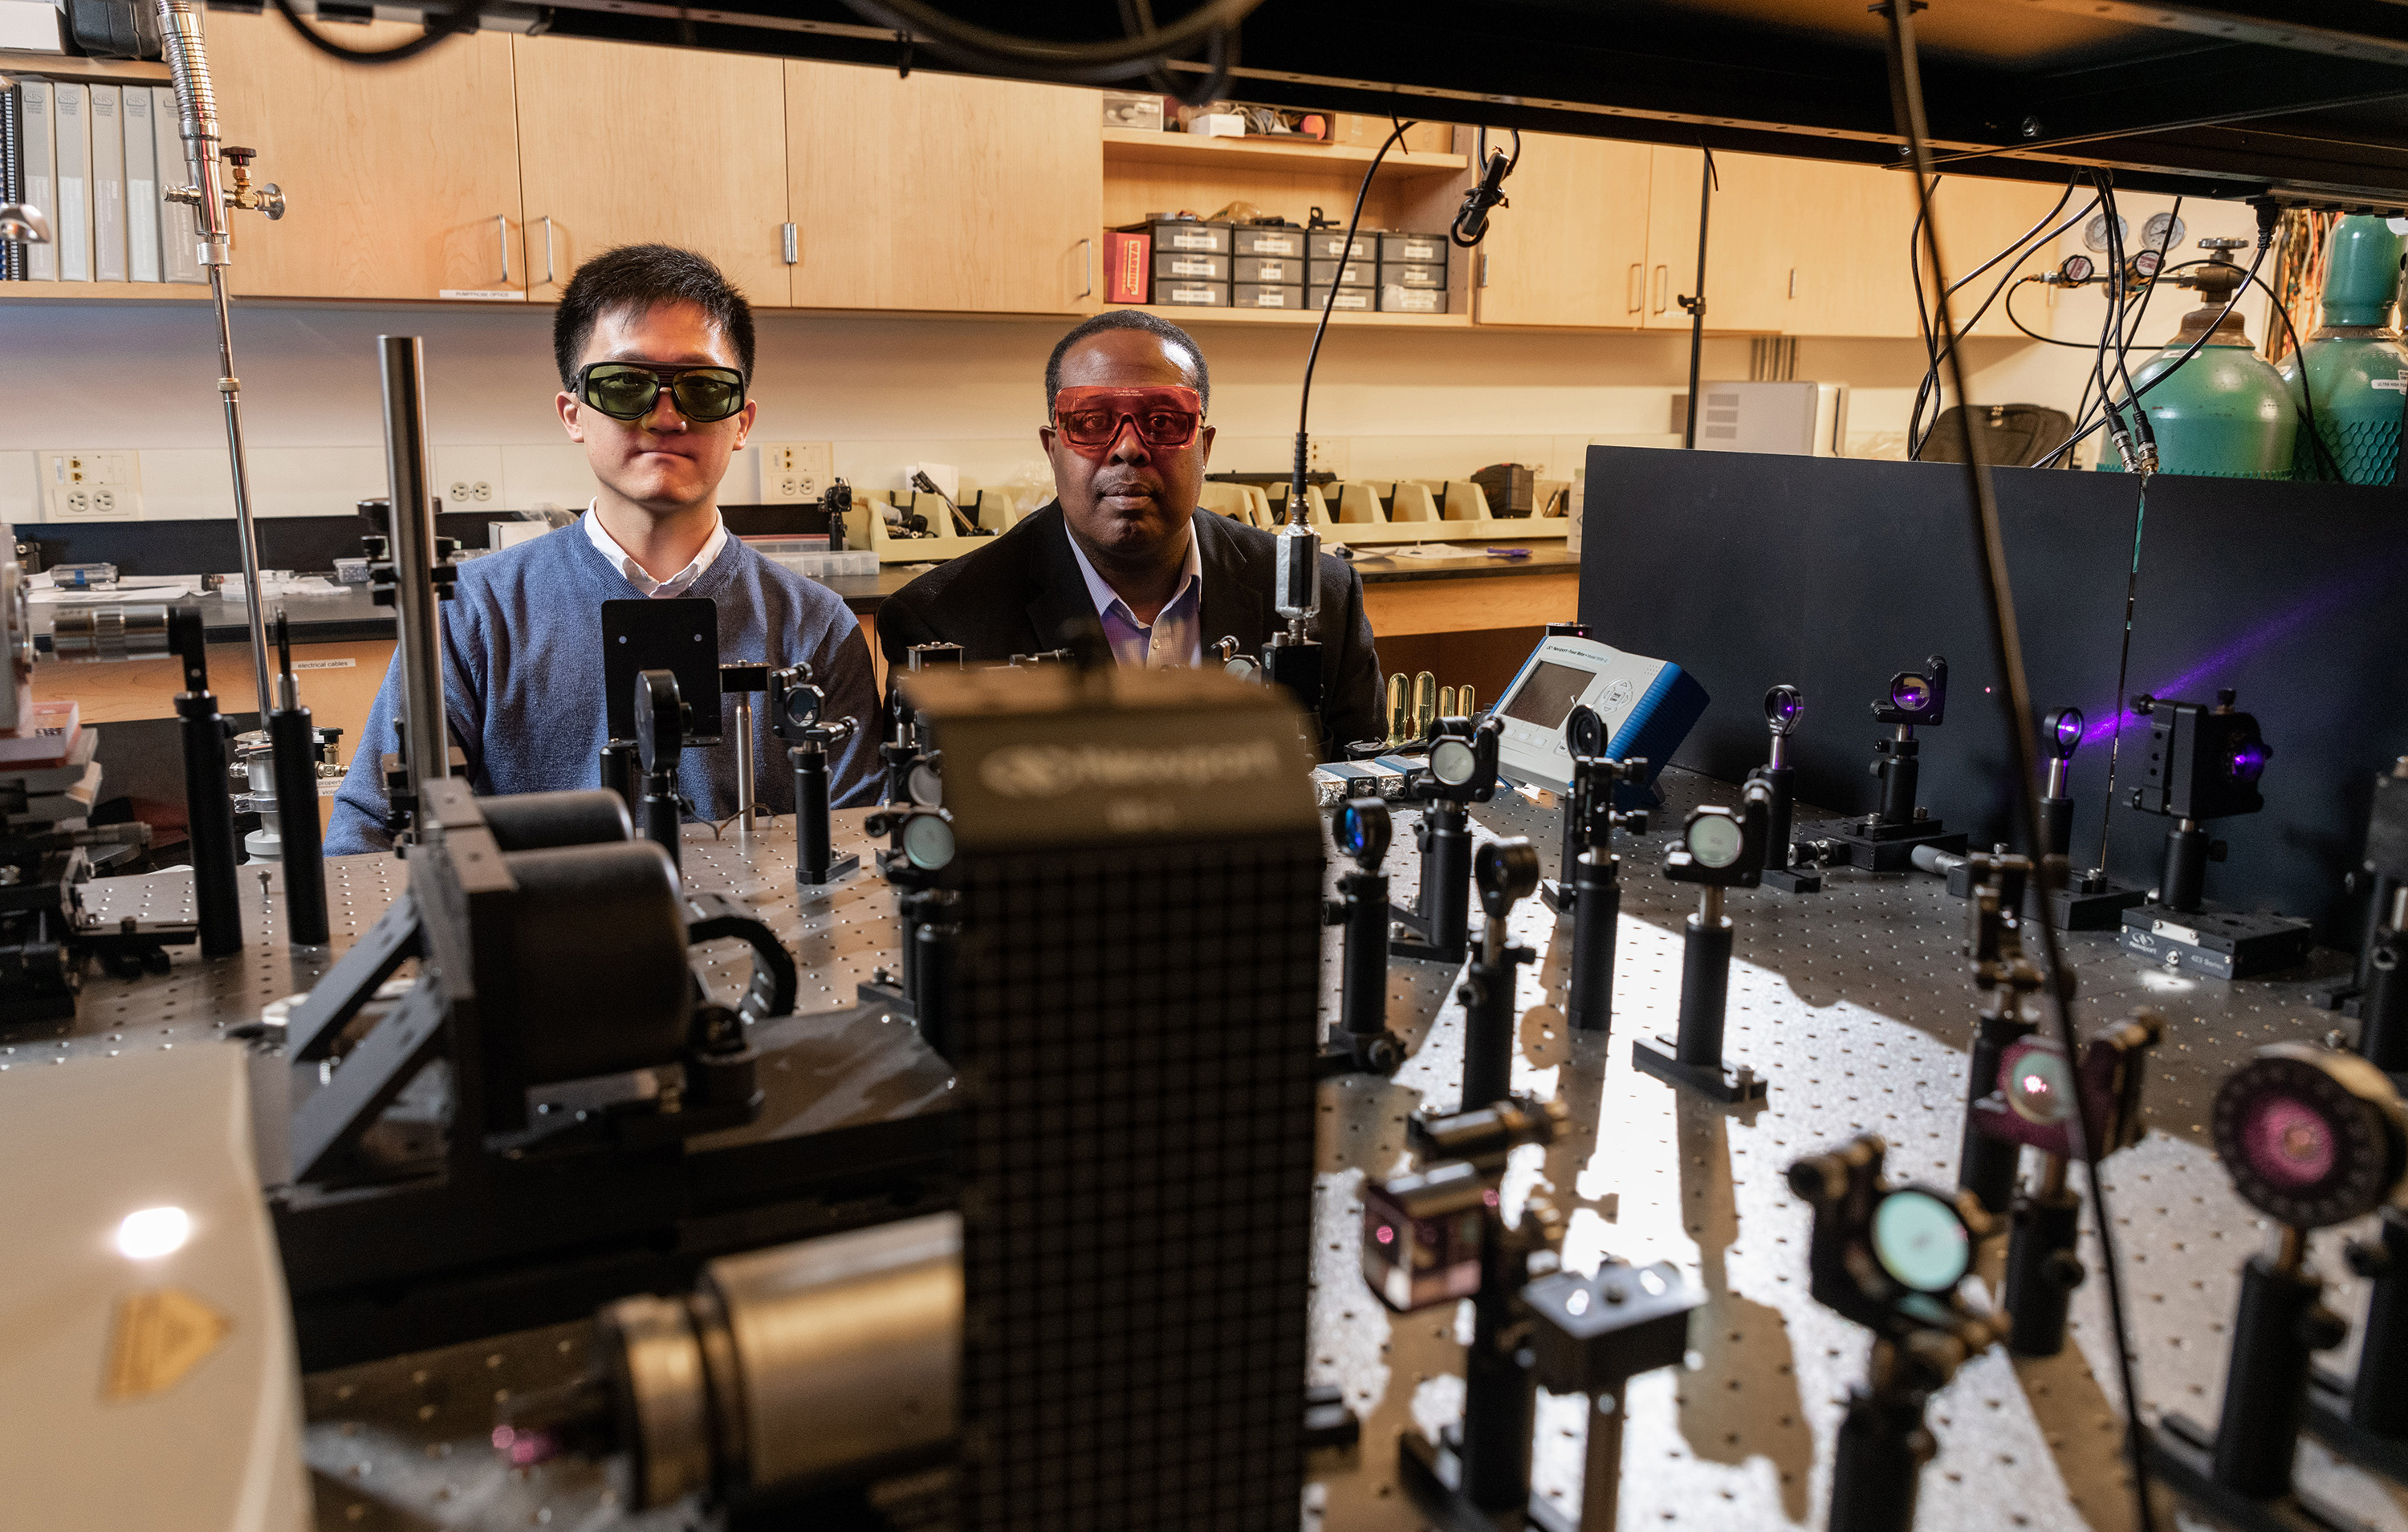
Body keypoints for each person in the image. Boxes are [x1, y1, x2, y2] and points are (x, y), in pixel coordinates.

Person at [326, 244, 881, 855]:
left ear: (742, 421)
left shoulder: (815, 626)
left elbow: (862, 842)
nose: (665, 416)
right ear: (573, 413)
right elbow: (367, 837)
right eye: (624, 384)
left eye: (702, 388)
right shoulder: (470, 614)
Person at [875, 311, 1383, 755]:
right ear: (1052, 449)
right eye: (1092, 421)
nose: (1128, 449)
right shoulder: (942, 623)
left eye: (1162, 421)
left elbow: (1366, 793)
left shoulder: (1323, 598)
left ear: (1204, 448)